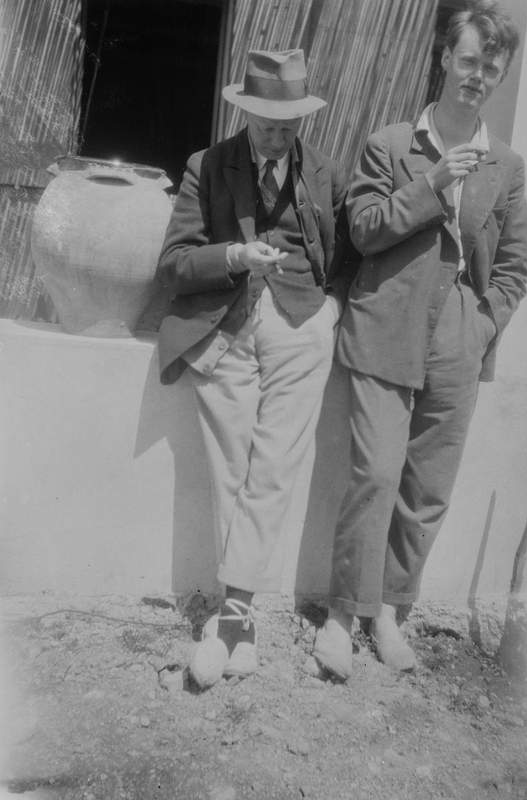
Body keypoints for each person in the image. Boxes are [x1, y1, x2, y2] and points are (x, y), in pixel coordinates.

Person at [313, 0, 527, 680]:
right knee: (375, 475)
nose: (477, 76)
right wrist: (436, 182)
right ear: (443, 59)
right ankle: (343, 617)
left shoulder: (506, 164)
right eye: (467, 61)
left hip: (456, 340)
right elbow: (365, 229)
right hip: (384, 328)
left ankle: (391, 614)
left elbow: (516, 264)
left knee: (427, 487)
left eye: (489, 67)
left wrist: (483, 321)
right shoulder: (391, 144)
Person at [155, 49, 353, 689]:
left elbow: (348, 249)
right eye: (268, 121)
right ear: (246, 112)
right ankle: (240, 622)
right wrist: (236, 254)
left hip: (301, 325)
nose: (279, 133)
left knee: (275, 467)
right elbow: (175, 263)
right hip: (228, 322)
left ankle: (231, 617)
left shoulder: (323, 170)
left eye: (290, 122)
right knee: (233, 466)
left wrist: (330, 309)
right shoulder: (207, 167)